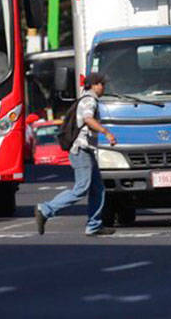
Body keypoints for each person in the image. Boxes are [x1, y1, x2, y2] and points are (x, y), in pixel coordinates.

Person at [35, 72, 117, 236]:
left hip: (86, 150)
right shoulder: (89, 100)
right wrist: (106, 132)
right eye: (102, 84)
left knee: (98, 189)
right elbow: (88, 119)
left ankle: (94, 226)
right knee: (81, 188)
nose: (104, 87)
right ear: (94, 85)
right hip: (81, 150)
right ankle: (45, 209)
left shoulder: (87, 99)